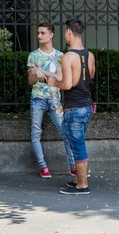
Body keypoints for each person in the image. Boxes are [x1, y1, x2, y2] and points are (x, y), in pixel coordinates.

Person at [47, 19, 95, 195]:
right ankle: (77, 179)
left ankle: (82, 185)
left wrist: (54, 81)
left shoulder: (68, 57)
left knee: (78, 145)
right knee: (75, 142)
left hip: (74, 107)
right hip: (87, 106)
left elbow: (67, 84)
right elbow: (88, 77)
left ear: (68, 32)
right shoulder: (90, 55)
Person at [27, 22, 75, 178]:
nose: (39, 36)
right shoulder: (33, 56)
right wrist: (35, 72)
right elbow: (31, 81)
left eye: (42, 33)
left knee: (65, 132)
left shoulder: (60, 56)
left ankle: (73, 166)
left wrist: (42, 71)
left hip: (55, 99)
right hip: (38, 99)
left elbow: (61, 78)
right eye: (38, 33)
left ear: (51, 35)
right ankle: (43, 167)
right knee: (35, 133)